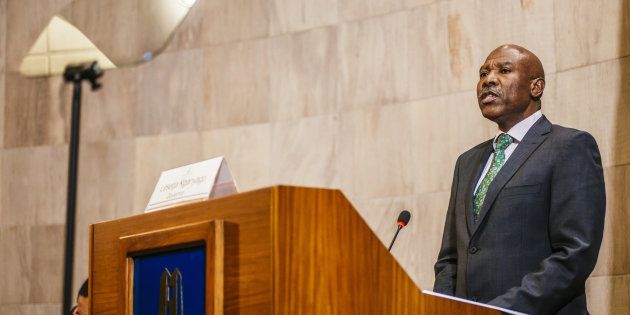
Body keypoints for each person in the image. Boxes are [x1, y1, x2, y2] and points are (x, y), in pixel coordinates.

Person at [433, 44, 605, 315]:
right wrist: (441, 308)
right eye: (483, 73)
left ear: (536, 87)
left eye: (504, 70)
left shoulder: (569, 146)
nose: (488, 80)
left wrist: (502, 311)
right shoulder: (467, 162)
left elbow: (575, 253)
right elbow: (450, 259)